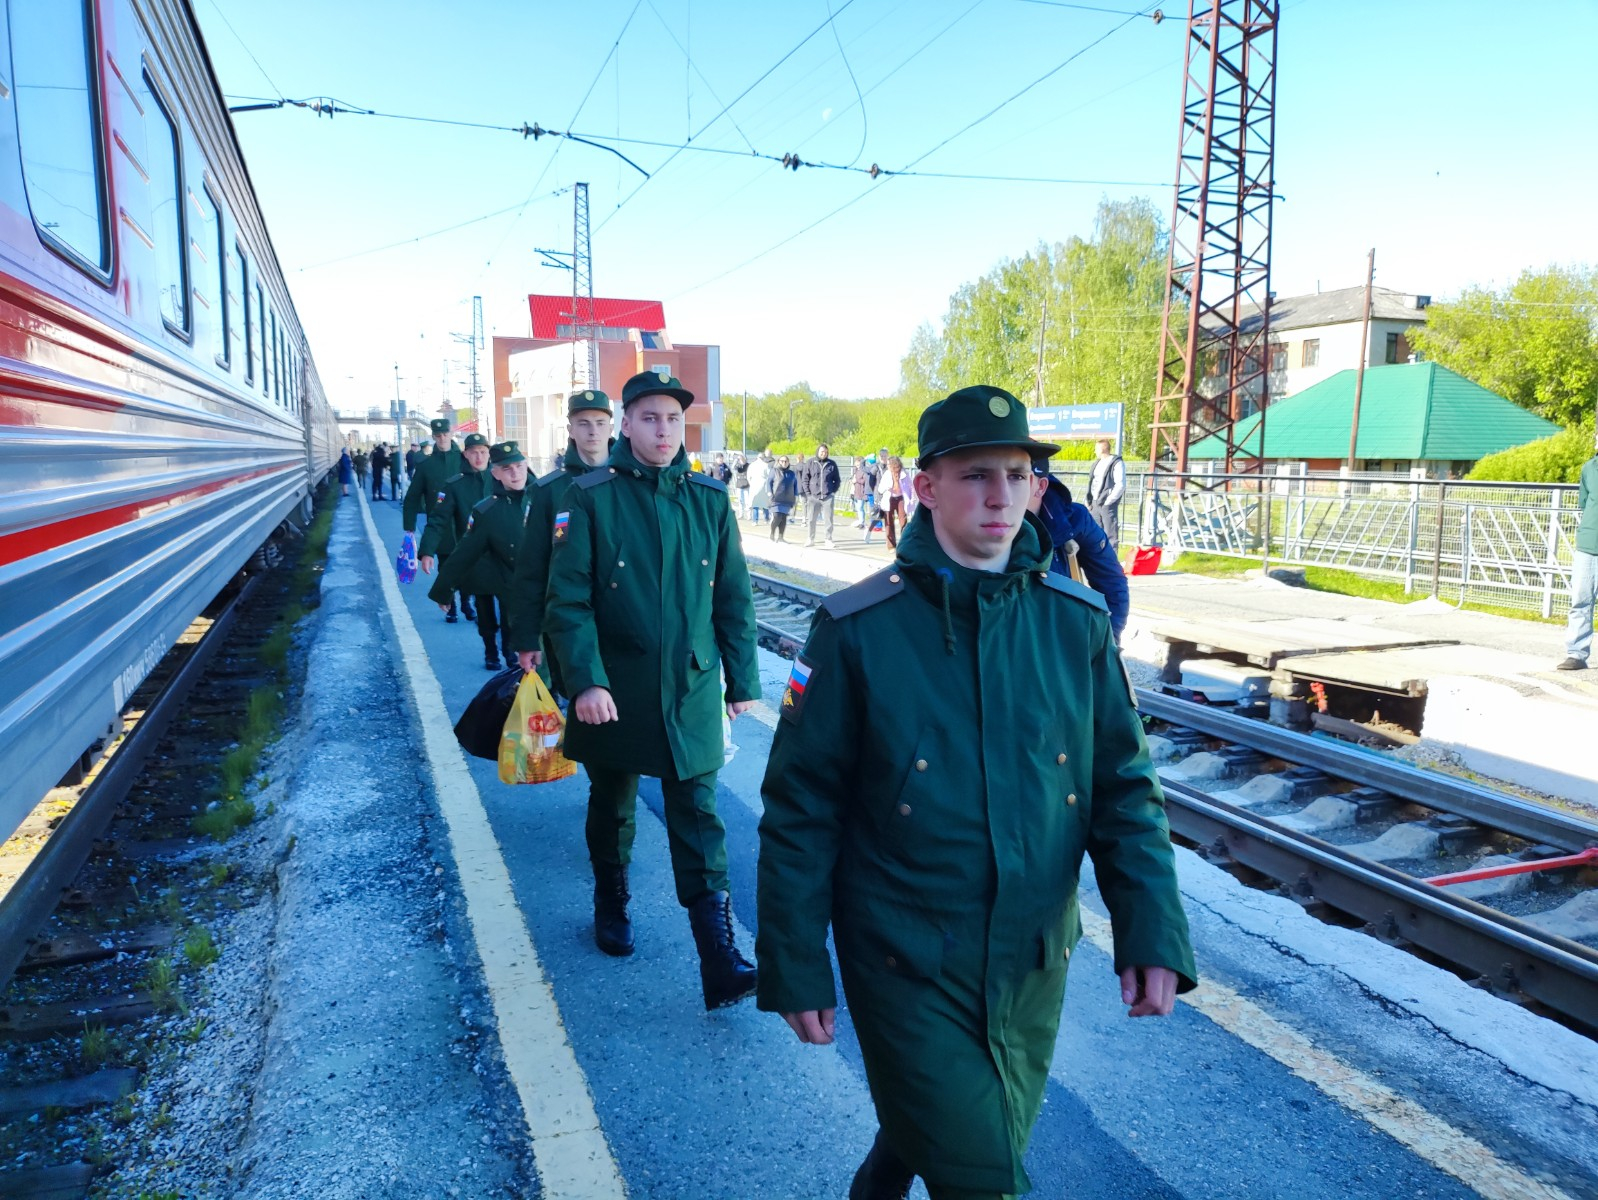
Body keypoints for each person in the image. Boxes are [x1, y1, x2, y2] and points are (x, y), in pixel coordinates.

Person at [755, 384, 1196, 1200]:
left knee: (957, 1130)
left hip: (1032, 959)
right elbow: (800, 809)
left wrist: (1151, 929)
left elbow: (1126, 790)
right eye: (976, 475)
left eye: (1018, 474)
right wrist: (793, 962)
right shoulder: (858, 630)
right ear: (925, 488)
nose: (1002, 495)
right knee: (988, 1177)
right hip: (903, 955)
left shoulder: (1076, 623)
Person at [542, 370, 763, 1010]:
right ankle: (611, 902)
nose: (663, 431)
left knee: (700, 814)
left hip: (690, 687)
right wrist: (583, 680)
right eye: (649, 419)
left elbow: (734, 599)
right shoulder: (588, 498)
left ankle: (719, 960)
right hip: (615, 689)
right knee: (612, 802)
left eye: (673, 420)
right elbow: (569, 601)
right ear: (627, 424)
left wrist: (741, 679)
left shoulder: (710, 500)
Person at [508, 389, 616, 689]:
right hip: (569, 623)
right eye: (583, 423)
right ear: (570, 430)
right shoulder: (548, 491)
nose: (592, 430)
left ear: (612, 427)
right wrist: (528, 638)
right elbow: (531, 567)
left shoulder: (630, 482)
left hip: (626, 622)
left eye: (599, 422)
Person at [431, 441, 532, 667]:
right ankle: (494, 653)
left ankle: (510, 654)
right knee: (489, 613)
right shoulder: (487, 511)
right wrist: (443, 590)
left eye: (518, 466)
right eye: (507, 468)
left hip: (538, 588)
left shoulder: (543, 497)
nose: (515, 473)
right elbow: (463, 554)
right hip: (496, 574)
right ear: (495, 473)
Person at [1029, 464, 1130, 644]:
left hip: (1060, 639)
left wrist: (1106, 643)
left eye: (1016, 476)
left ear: (1040, 485)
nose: (1002, 492)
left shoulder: (1074, 519)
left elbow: (1111, 581)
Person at [420, 433, 493, 635]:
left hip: (504, 555)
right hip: (474, 555)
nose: (479, 457)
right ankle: (491, 653)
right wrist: (427, 551)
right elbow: (438, 520)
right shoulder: (455, 485)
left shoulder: (502, 477)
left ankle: (510, 655)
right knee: (484, 609)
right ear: (466, 455)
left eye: (483, 452)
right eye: (474, 452)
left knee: (509, 611)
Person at [1556, 433, 1598, 670]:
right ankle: (1577, 654)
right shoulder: (1589, 468)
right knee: (1581, 601)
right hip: (1588, 544)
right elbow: (1584, 503)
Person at [402, 418, 462, 580]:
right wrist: (409, 526)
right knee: (446, 567)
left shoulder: (465, 461)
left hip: (464, 522)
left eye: (444, 434)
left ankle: (465, 603)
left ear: (451, 434)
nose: (442, 438)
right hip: (440, 526)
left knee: (467, 567)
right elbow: (412, 497)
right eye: (438, 435)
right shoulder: (426, 466)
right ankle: (449, 604)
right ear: (433, 437)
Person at [1085, 438, 1126, 551]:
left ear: (1102, 449)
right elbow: (1092, 482)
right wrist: (1088, 500)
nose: (1095, 451)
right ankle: (1098, 561)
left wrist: (1109, 501)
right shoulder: (1097, 463)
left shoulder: (1116, 463)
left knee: (1110, 534)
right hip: (1094, 503)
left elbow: (1120, 484)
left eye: (1096, 449)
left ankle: (1112, 563)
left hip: (1107, 504)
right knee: (1096, 534)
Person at [805, 443, 841, 548]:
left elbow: (837, 480)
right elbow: (805, 479)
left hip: (827, 496)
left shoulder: (832, 464)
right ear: (818, 452)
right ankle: (810, 538)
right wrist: (808, 493)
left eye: (825, 452)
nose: (823, 454)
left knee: (828, 519)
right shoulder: (811, 462)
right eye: (822, 452)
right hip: (813, 496)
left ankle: (828, 539)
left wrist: (833, 491)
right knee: (811, 519)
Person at [876, 455, 913, 549]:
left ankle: (905, 542)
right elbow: (880, 489)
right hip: (889, 499)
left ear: (894, 465)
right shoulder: (887, 474)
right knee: (889, 521)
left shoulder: (904, 473)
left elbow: (910, 486)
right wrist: (887, 487)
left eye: (889, 464)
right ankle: (891, 545)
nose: (887, 465)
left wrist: (912, 497)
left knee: (903, 520)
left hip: (901, 498)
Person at [768, 455, 798, 542]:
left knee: (783, 518)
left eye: (786, 461)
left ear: (788, 463)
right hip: (776, 498)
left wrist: (795, 495)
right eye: (782, 461)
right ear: (779, 461)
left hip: (787, 499)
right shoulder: (774, 471)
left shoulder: (791, 474)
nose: (784, 463)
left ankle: (781, 537)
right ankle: (772, 533)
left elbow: (795, 485)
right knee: (777, 516)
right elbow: (769, 482)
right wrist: (770, 493)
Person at [850, 457, 878, 530]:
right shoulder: (855, 470)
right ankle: (861, 521)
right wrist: (852, 481)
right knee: (858, 508)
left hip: (862, 492)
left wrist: (856, 480)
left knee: (860, 507)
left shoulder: (865, 470)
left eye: (858, 465)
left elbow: (863, 481)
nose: (857, 466)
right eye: (856, 465)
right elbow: (853, 479)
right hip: (856, 491)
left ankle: (862, 522)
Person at [749, 452, 772, 524]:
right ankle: (766, 519)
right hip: (763, 486)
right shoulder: (766, 465)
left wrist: (751, 483)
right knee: (764, 503)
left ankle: (755, 520)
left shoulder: (752, 465)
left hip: (754, 486)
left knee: (755, 503)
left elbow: (748, 477)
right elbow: (769, 476)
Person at [732, 454, 750, 520]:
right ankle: (741, 514)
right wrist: (736, 460)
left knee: (747, 500)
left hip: (746, 484)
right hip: (739, 484)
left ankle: (748, 515)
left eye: (741, 458)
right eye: (739, 458)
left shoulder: (748, 465)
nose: (741, 459)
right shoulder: (738, 465)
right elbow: (733, 468)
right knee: (740, 500)